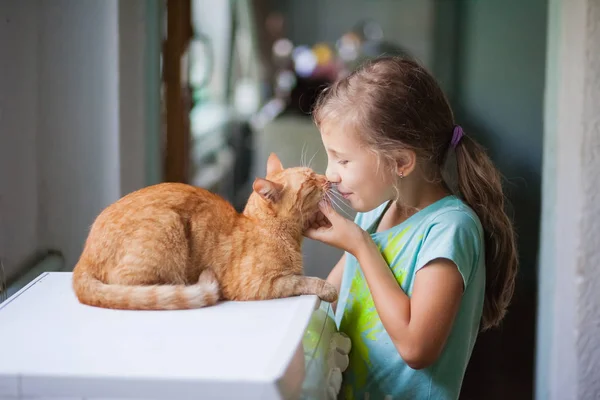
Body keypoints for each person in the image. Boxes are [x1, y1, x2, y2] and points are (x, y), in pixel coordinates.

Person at [305, 56, 518, 400]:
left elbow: (417, 348)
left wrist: (360, 245)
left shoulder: (451, 228)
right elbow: (325, 300)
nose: (331, 173)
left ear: (401, 162)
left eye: (343, 159)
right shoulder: (375, 214)